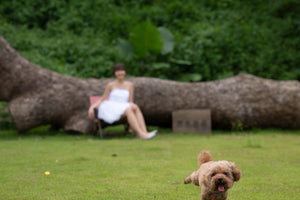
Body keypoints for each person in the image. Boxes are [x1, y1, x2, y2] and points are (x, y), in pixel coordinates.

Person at [88, 63, 157, 139]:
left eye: (121, 71)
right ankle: (140, 134)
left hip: (123, 105)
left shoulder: (130, 85)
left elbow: (130, 101)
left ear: (125, 72)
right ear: (115, 73)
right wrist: (92, 107)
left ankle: (145, 132)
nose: (120, 73)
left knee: (136, 108)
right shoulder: (110, 85)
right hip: (112, 107)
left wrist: (132, 104)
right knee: (128, 110)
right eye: (117, 71)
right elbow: (102, 99)